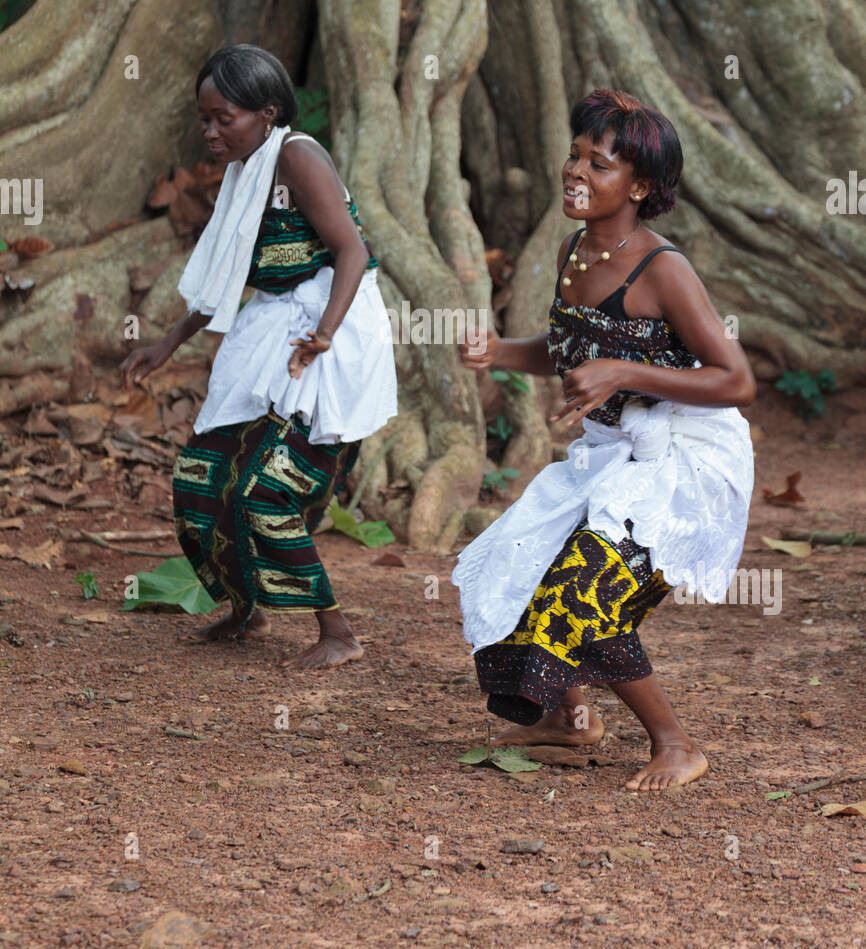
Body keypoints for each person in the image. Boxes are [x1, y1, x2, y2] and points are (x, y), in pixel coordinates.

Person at [452, 88, 755, 791]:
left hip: (686, 459)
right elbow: (568, 350)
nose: (577, 172)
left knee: (585, 592)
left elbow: (736, 381)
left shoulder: (663, 270)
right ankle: (567, 720)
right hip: (614, 454)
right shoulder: (574, 249)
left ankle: (675, 743)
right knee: (526, 562)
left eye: (601, 164)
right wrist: (499, 352)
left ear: (640, 186)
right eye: (576, 155)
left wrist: (623, 370)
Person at [120, 44, 397, 668]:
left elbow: (351, 251)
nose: (211, 131)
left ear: (267, 113)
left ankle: (337, 633)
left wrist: (323, 334)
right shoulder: (246, 170)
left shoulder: (297, 156)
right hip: (272, 331)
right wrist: (166, 343)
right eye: (205, 119)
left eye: (225, 118)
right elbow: (229, 275)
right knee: (201, 473)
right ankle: (248, 607)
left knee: (265, 489)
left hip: (327, 337)